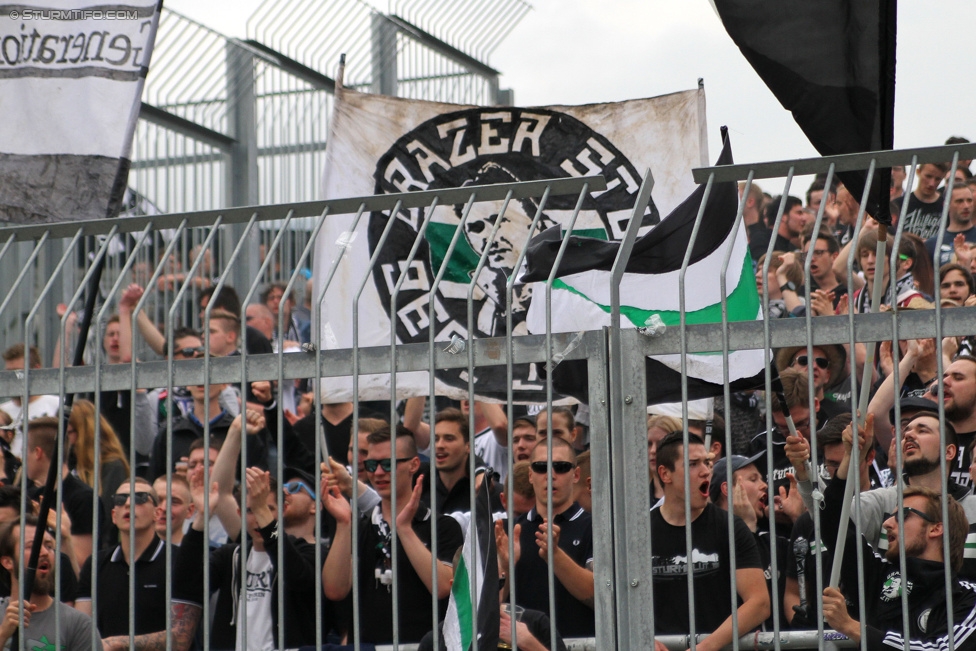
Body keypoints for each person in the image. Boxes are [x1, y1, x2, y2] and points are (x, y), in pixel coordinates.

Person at [802, 414, 976, 649]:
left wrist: (852, 627)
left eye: (903, 515)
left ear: (936, 528)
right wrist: (851, 457)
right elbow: (833, 521)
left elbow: (940, 649)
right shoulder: (878, 576)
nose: (887, 523)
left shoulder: (966, 598)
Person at [321, 424, 463, 644]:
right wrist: (344, 522)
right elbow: (334, 590)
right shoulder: (359, 527)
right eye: (371, 464)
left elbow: (443, 587)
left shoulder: (442, 526)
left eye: (388, 464)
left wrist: (404, 529)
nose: (378, 472)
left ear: (414, 464)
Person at [175, 467, 325, 649]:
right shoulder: (230, 556)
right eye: (250, 510)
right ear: (239, 514)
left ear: (285, 509)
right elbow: (186, 585)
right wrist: (201, 517)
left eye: (268, 509)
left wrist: (263, 514)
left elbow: (298, 576)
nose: (258, 519)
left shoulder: (308, 552)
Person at [650, 432, 769, 647]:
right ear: (665, 474)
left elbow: (759, 603)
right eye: (693, 464)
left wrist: (705, 647)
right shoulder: (642, 533)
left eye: (707, 463)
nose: (706, 471)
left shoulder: (729, 526)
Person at [495, 438, 595, 639]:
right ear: (531, 475)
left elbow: (600, 595)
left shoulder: (595, 527)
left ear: (576, 475)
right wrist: (505, 565)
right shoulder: (507, 531)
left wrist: (555, 556)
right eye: (541, 467)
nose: (550, 475)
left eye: (561, 467)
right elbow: (485, 609)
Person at [76, 478, 173, 640]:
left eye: (139, 498)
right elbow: (82, 630)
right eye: (120, 500)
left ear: (157, 513)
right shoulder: (96, 564)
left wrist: (121, 644)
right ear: (114, 516)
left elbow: (182, 636)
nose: (128, 504)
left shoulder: (178, 561)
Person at [0, 516, 101, 651]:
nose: (44, 552)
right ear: (8, 562)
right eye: (33, 546)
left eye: (49, 546)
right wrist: (2, 635)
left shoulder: (78, 624)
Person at [23, 417, 95, 570]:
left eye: (25, 451)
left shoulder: (84, 499)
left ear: (37, 453)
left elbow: (82, 564)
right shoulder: (31, 497)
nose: (23, 459)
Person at [421, 408, 502, 521]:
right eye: (435, 439)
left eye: (449, 439)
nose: (440, 445)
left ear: (468, 446)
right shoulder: (420, 487)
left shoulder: (488, 492)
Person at [68, 399, 130, 535]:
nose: (64, 440)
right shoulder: (68, 463)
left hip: (97, 545)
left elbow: (107, 516)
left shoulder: (112, 465)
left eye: (68, 433)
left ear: (82, 432)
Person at [0, 344, 60, 459]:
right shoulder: (2, 412)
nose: (12, 379)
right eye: (8, 373)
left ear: (36, 370)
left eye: (18, 373)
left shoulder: (57, 405)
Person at [942, 356, 976, 489]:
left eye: (958, 378)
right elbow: (876, 413)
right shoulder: (931, 439)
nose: (945, 381)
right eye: (944, 376)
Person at [895, 161, 950, 239]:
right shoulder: (898, 204)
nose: (932, 183)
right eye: (928, 176)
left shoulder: (947, 206)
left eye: (937, 179)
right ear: (918, 172)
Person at [926, 185, 976, 266]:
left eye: (969, 201)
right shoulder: (932, 244)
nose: (966, 206)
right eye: (959, 201)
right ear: (946, 205)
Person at [152, 474, 193, 545]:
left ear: (189, 510)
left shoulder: (202, 553)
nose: (164, 508)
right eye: (158, 500)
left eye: (174, 502)